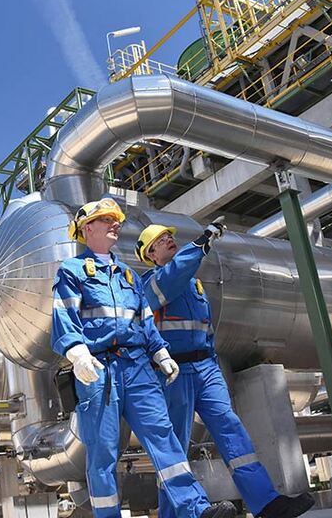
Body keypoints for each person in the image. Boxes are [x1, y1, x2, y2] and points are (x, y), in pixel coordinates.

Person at [52, 197, 237, 518]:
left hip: (138, 366)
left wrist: (161, 352)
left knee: (163, 436)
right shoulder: (72, 271)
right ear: (87, 228)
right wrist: (77, 351)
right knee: (103, 452)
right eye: (107, 219)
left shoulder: (127, 274)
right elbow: (64, 315)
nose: (115, 224)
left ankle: (195, 509)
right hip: (99, 368)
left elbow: (144, 320)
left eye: (116, 219)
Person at [135, 219, 316, 518]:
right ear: (151, 254)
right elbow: (175, 274)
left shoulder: (194, 283)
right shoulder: (151, 283)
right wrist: (201, 242)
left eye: (170, 236)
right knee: (174, 446)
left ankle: (266, 503)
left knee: (231, 430)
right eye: (161, 239)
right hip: (173, 373)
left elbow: (204, 325)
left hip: (206, 367)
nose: (169, 239)